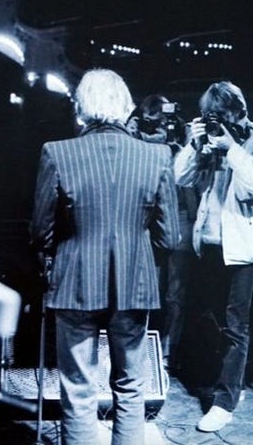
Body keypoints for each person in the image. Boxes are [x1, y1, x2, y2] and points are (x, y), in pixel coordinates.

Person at [30, 68, 180, 445]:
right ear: (127, 107)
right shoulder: (157, 155)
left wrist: (53, 255)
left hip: (74, 282)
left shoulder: (57, 152)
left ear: (81, 108)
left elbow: (40, 231)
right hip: (135, 284)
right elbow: (170, 236)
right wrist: (138, 253)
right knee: (131, 385)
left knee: (78, 387)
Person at [174, 81, 253, 432]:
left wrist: (232, 147)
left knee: (236, 325)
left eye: (222, 114)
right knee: (210, 320)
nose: (218, 121)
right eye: (212, 115)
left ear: (239, 110)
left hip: (242, 246)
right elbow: (181, 178)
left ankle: (224, 402)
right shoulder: (210, 138)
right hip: (208, 242)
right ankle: (228, 382)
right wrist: (194, 145)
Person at [129, 94, 198, 374]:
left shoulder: (181, 137)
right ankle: (143, 349)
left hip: (180, 214)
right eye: (149, 123)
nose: (157, 129)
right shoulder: (135, 141)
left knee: (176, 293)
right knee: (149, 287)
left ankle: (169, 352)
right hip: (148, 217)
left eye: (161, 122)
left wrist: (187, 138)